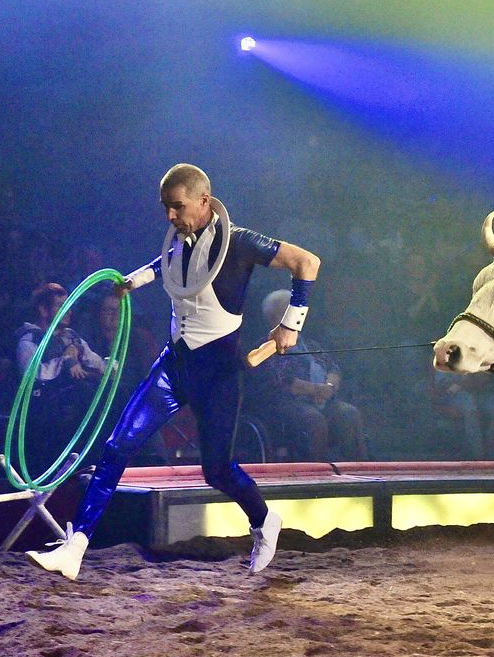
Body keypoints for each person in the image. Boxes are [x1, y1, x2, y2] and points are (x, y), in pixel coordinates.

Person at [27, 164, 321, 580]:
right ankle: (75, 547)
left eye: (177, 207)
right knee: (116, 448)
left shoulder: (239, 242)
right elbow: (165, 261)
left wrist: (292, 322)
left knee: (217, 470)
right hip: (173, 366)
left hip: (217, 373)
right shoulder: (180, 240)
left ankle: (263, 520)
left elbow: (306, 262)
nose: (169, 216)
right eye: (165, 208)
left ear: (204, 201)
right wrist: (134, 281)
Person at [260, 289, 368, 462]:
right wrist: (317, 390)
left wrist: (329, 388)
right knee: (314, 419)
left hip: (321, 399)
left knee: (349, 413)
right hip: (287, 405)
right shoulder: (266, 348)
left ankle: (360, 469)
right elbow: (285, 381)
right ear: (275, 318)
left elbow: (333, 369)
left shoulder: (310, 344)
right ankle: (319, 474)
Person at [14, 282, 107, 470]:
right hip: (43, 415)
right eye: (60, 306)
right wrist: (65, 362)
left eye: (69, 305)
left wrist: (79, 349)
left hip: (75, 410)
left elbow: (99, 365)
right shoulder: (30, 339)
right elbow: (34, 373)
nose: (68, 311)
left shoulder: (72, 337)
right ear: (43, 309)